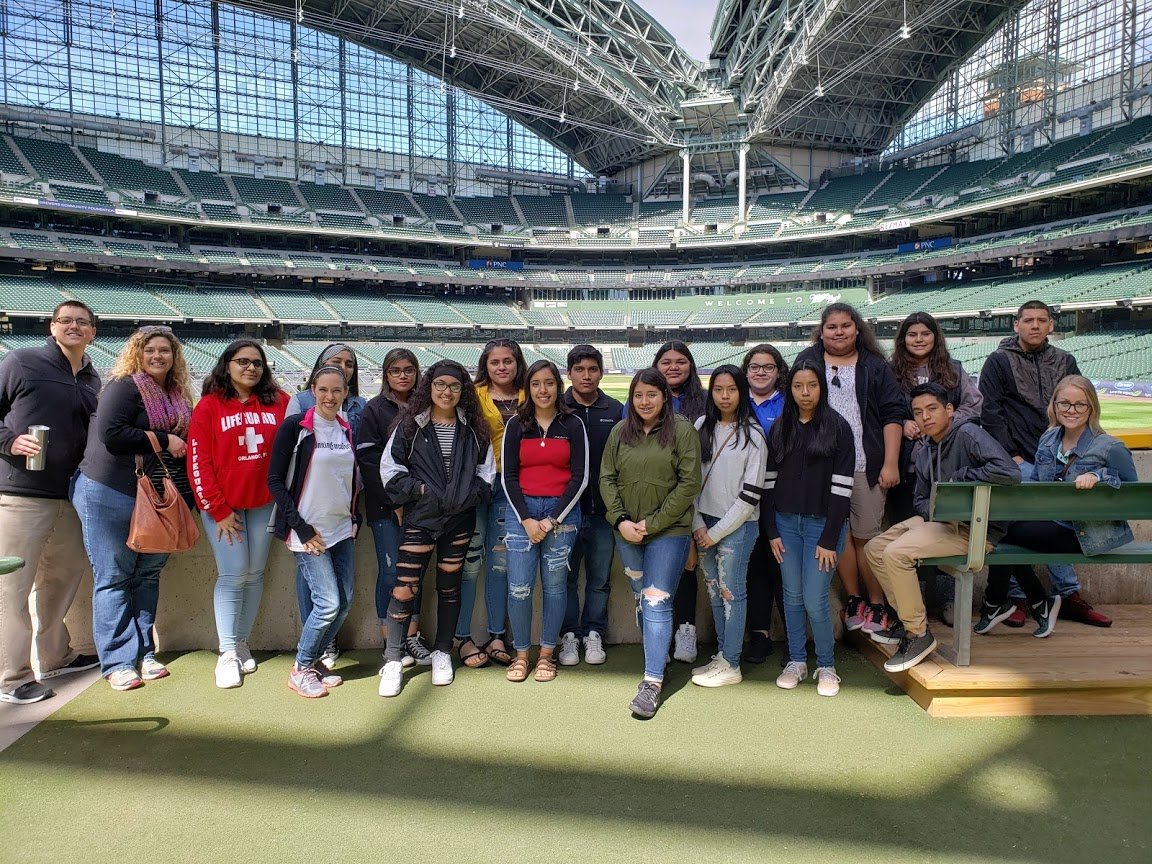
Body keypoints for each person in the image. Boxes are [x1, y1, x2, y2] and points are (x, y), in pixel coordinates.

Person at [863, 383, 1021, 673]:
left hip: (976, 529)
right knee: (875, 548)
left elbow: (1009, 472)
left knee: (897, 553)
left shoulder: (968, 433)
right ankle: (909, 622)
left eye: (932, 409)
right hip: (941, 523)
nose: (925, 417)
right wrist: (938, 510)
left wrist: (962, 477)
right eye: (918, 412)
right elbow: (921, 499)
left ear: (949, 410)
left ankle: (919, 634)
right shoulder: (926, 449)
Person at [72, 325, 196, 692]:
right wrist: (163, 438)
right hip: (110, 490)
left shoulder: (176, 394)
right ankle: (118, 661)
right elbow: (111, 433)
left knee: (147, 575)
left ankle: (144, 652)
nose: (158, 356)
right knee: (114, 576)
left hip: (159, 495)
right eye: (150, 350)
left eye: (165, 351)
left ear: (175, 357)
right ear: (137, 353)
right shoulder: (124, 386)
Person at [976, 376, 1138, 639]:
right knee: (1003, 531)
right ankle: (1032, 601)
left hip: (1088, 533)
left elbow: (1134, 493)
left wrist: (1100, 476)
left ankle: (1000, 600)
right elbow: (1041, 488)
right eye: (1065, 403)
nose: (1071, 411)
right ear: (1054, 405)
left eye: (1080, 405)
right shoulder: (1049, 438)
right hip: (1050, 524)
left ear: (1092, 408)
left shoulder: (1110, 446)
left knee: (1000, 529)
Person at [978, 301, 1108, 628]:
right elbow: (991, 414)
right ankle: (1023, 596)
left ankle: (1063, 595)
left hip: (1058, 459)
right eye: (1028, 320)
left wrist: (1071, 454)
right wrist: (1012, 456)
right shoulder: (998, 362)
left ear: (1051, 324)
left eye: (1041, 320)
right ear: (1016, 325)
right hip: (1016, 460)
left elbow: (1079, 406)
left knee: (1050, 522)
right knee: (1022, 520)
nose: (1035, 326)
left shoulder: (1065, 360)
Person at [0, 301, 101, 704]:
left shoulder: (93, 378)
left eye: (82, 322)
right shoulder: (22, 362)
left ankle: (55, 654)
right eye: (66, 321)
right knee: (13, 588)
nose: (74, 327)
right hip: (21, 494)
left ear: (93, 332)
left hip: (71, 494)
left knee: (61, 579)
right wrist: (8, 441)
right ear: (52, 326)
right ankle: (12, 676)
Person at [378, 360, 496, 697]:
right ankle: (393, 659)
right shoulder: (410, 427)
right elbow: (389, 470)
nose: (447, 392)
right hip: (421, 520)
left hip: (459, 520)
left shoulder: (474, 428)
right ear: (429, 386)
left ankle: (443, 651)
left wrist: (468, 496)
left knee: (450, 586)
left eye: (455, 386)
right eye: (441, 384)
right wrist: (422, 492)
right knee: (404, 588)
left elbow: (488, 474)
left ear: (463, 391)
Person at [794, 303, 905, 636]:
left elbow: (892, 414)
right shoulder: (808, 361)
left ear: (857, 329)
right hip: (820, 465)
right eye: (831, 327)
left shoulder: (874, 366)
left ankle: (877, 602)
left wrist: (889, 462)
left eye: (845, 326)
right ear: (822, 330)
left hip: (864, 464)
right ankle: (855, 599)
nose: (838, 332)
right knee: (837, 534)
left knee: (866, 536)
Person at [600, 368, 701, 719]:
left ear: (664, 397)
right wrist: (621, 521)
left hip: (668, 532)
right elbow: (607, 478)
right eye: (639, 395)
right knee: (642, 600)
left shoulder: (682, 431)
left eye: (652, 395)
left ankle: (652, 681)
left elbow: (689, 484)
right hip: (627, 531)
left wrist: (652, 523)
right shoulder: (619, 432)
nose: (644, 402)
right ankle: (658, 657)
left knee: (657, 601)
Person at [188, 339, 289, 689]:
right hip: (224, 508)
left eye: (257, 363)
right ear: (227, 365)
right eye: (243, 361)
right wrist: (217, 509)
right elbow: (198, 462)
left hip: (263, 503)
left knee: (255, 573)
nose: (250, 368)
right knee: (232, 574)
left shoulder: (279, 402)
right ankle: (227, 652)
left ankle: (242, 641)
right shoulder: (209, 406)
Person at [267, 366, 360, 699]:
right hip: (309, 532)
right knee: (328, 604)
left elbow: (350, 479)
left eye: (337, 390)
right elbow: (275, 481)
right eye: (323, 390)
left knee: (345, 601)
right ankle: (301, 667)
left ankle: (314, 663)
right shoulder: (296, 427)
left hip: (340, 528)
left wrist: (354, 517)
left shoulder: (347, 427)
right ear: (312, 390)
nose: (329, 397)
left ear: (346, 393)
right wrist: (302, 529)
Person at [764, 362, 854, 697]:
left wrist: (830, 537)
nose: (805, 393)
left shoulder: (839, 428)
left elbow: (842, 489)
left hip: (823, 529)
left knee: (815, 599)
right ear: (790, 389)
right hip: (785, 526)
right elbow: (768, 487)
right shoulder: (780, 429)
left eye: (812, 386)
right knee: (792, 596)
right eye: (799, 386)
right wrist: (771, 529)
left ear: (822, 388)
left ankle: (827, 665)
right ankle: (797, 661)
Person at [888, 312, 983, 624]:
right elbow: (881, 409)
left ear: (935, 337)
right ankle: (914, 605)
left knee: (943, 534)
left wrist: (940, 424)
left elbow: (974, 405)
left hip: (947, 464)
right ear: (903, 339)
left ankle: (945, 602)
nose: (918, 339)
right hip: (907, 465)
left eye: (924, 334)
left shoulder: (953, 370)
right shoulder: (892, 372)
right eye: (912, 334)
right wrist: (903, 422)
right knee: (910, 536)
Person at [502, 360, 588, 683]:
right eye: (536, 383)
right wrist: (526, 519)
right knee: (520, 587)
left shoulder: (573, 425)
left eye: (549, 383)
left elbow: (580, 478)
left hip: (560, 515)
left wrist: (551, 519)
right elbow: (508, 477)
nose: (542, 390)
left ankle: (547, 655)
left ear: (558, 386)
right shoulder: (516, 426)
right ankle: (522, 654)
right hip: (521, 513)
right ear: (528, 387)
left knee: (554, 588)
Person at [288, 343, 368, 669]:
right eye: (336, 361)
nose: (344, 366)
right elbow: (286, 468)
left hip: (344, 511)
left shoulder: (358, 409)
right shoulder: (301, 407)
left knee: (340, 597)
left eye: (349, 364)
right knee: (321, 593)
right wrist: (297, 521)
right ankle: (311, 653)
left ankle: (318, 646)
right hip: (308, 515)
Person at [689, 365, 767, 688]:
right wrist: (697, 525)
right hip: (703, 523)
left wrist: (714, 532)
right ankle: (723, 653)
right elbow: (690, 480)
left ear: (742, 392)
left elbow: (749, 497)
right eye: (718, 389)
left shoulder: (754, 435)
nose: (724, 396)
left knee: (731, 591)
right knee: (714, 592)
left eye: (731, 390)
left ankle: (732, 663)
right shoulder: (701, 426)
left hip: (737, 527)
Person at [356, 349, 433, 671]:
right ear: (386, 375)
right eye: (395, 370)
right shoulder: (375, 410)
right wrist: (396, 501)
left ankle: (411, 636)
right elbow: (370, 463)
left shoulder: (427, 408)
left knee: (414, 574)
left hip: (422, 507)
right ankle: (392, 639)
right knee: (391, 574)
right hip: (386, 507)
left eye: (409, 370)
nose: (403, 376)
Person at [459, 338, 526, 669]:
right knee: (470, 561)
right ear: (485, 365)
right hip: (476, 484)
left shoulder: (530, 394)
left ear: (517, 363)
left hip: (513, 487)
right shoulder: (473, 395)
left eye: (508, 361)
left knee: (499, 563)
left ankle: (497, 634)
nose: (502, 367)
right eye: (495, 362)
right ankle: (462, 636)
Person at [557, 345, 623, 667]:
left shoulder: (616, 409)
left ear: (601, 372)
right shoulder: (558, 408)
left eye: (592, 369)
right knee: (566, 579)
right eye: (579, 369)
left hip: (603, 513)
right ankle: (569, 635)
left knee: (599, 580)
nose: (586, 375)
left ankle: (593, 633)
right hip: (566, 512)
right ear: (569, 373)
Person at [651, 340, 707, 664]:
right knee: (657, 573)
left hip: (690, 498)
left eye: (680, 361)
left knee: (687, 566)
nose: (673, 367)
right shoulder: (642, 400)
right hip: (652, 498)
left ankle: (686, 629)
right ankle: (660, 634)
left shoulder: (703, 404)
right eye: (666, 361)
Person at [741, 343, 789, 664]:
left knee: (784, 570)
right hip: (744, 499)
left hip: (782, 497)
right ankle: (759, 635)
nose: (760, 372)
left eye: (767, 367)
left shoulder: (788, 404)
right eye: (755, 367)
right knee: (755, 569)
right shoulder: (736, 402)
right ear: (746, 371)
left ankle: (793, 636)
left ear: (778, 371)